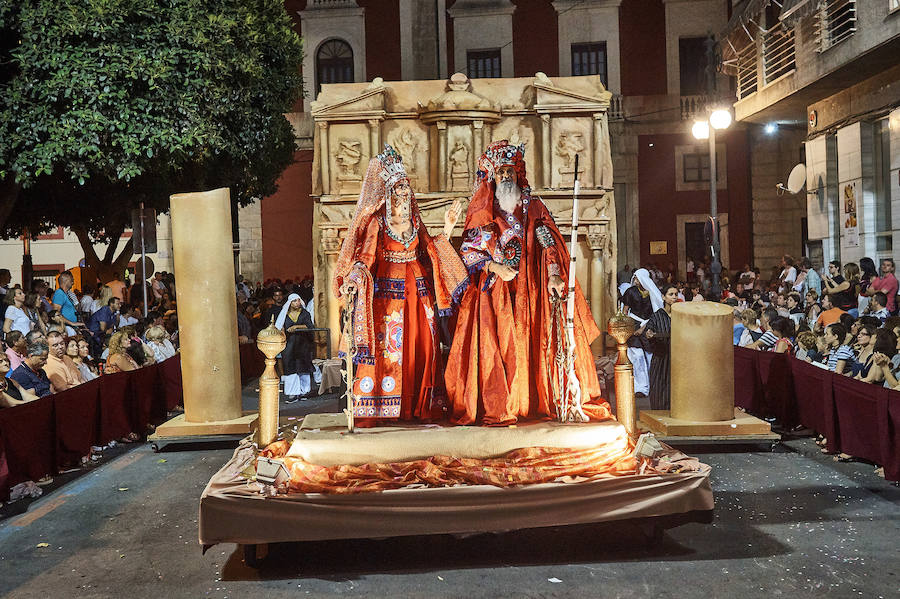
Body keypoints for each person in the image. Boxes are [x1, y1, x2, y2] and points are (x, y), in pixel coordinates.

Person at [445, 140, 610, 425]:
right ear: (493, 177)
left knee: (531, 343)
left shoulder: (532, 206)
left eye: (510, 172)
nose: (506, 177)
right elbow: (469, 251)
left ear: (518, 173)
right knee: (500, 346)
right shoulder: (483, 208)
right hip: (493, 293)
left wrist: (554, 273)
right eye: (501, 173)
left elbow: (548, 241)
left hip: (531, 291)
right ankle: (502, 402)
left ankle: (535, 400)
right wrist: (494, 265)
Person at [335, 144, 467, 422]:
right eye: (399, 195)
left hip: (419, 298)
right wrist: (354, 280)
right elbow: (364, 259)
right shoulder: (377, 224)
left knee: (423, 347)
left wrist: (447, 228)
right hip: (388, 299)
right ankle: (387, 408)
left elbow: (431, 251)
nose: (405, 201)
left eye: (407, 195)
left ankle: (419, 406)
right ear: (388, 196)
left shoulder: (416, 224)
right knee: (390, 352)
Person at [622, 268, 663, 396]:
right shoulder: (630, 292)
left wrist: (644, 327)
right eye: (634, 278)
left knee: (650, 356)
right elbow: (625, 311)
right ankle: (641, 388)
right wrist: (628, 326)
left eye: (637, 278)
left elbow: (656, 311)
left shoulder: (652, 292)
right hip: (634, 324)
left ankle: (652, 386)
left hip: (649, 325)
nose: (635, 280)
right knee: (637, 356)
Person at [274, 293, 315, 402]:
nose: (297, 303)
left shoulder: (304, 313)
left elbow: (310, 326)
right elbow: (280, 326)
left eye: (298, 300)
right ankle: (293, 393)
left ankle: (304, 392)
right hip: (289, 346)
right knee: (290, 368)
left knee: (303, 368)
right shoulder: (285, 314)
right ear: (290, 303)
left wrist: (296, 327)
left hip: (303, 344)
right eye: (294, 301)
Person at [644, 283, 677, 410]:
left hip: (677, 358)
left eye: (675, 294)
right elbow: (649, 331)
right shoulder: (657, 316)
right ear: (663, 297)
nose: (674, 297)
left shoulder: (681, 315)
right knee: (660, 388)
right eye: (671, 294)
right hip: (661, 358)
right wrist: (650, 335)